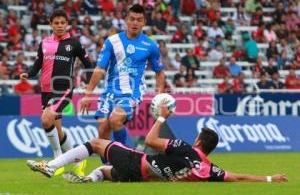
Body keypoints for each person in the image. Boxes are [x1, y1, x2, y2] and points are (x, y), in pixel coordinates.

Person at [27, 102, 287, 183]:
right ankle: (90, 180)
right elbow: (237, 177)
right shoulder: (208, 169)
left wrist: (162, 116)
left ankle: (52, 166)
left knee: (96, 143)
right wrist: (267, 179)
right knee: (105, 171)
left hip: (137, 162)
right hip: (141, 178)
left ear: (198, 140)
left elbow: (150, 140)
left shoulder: (185, 147)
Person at [80, 4, 165, 157]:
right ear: (126, 19)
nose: (135, 23)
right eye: (132, 19)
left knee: (115, 119)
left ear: (144, 22)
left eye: (139, 20)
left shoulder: (150, 45)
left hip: (132, 92)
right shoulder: (112, 42)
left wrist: (158, 96)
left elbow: (159, 72)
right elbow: (100, 69)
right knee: (102, 130)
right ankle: (108, 169)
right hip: (110, 90)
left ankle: (126, 159)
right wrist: (87, 94)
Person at [20, 9, 92, 176]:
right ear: (50, 25)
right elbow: (37, 64)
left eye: (62, 23)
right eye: (56, 23)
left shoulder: (74, 43)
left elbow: (88, 64)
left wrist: (88, 85)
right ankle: (79, 160)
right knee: (57, 130)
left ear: (66, 24)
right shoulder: (44, 43)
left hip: (64, 88)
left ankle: (55, 161)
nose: (60, 26)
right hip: (46, 91)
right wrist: (28, 74)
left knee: (46, 119)